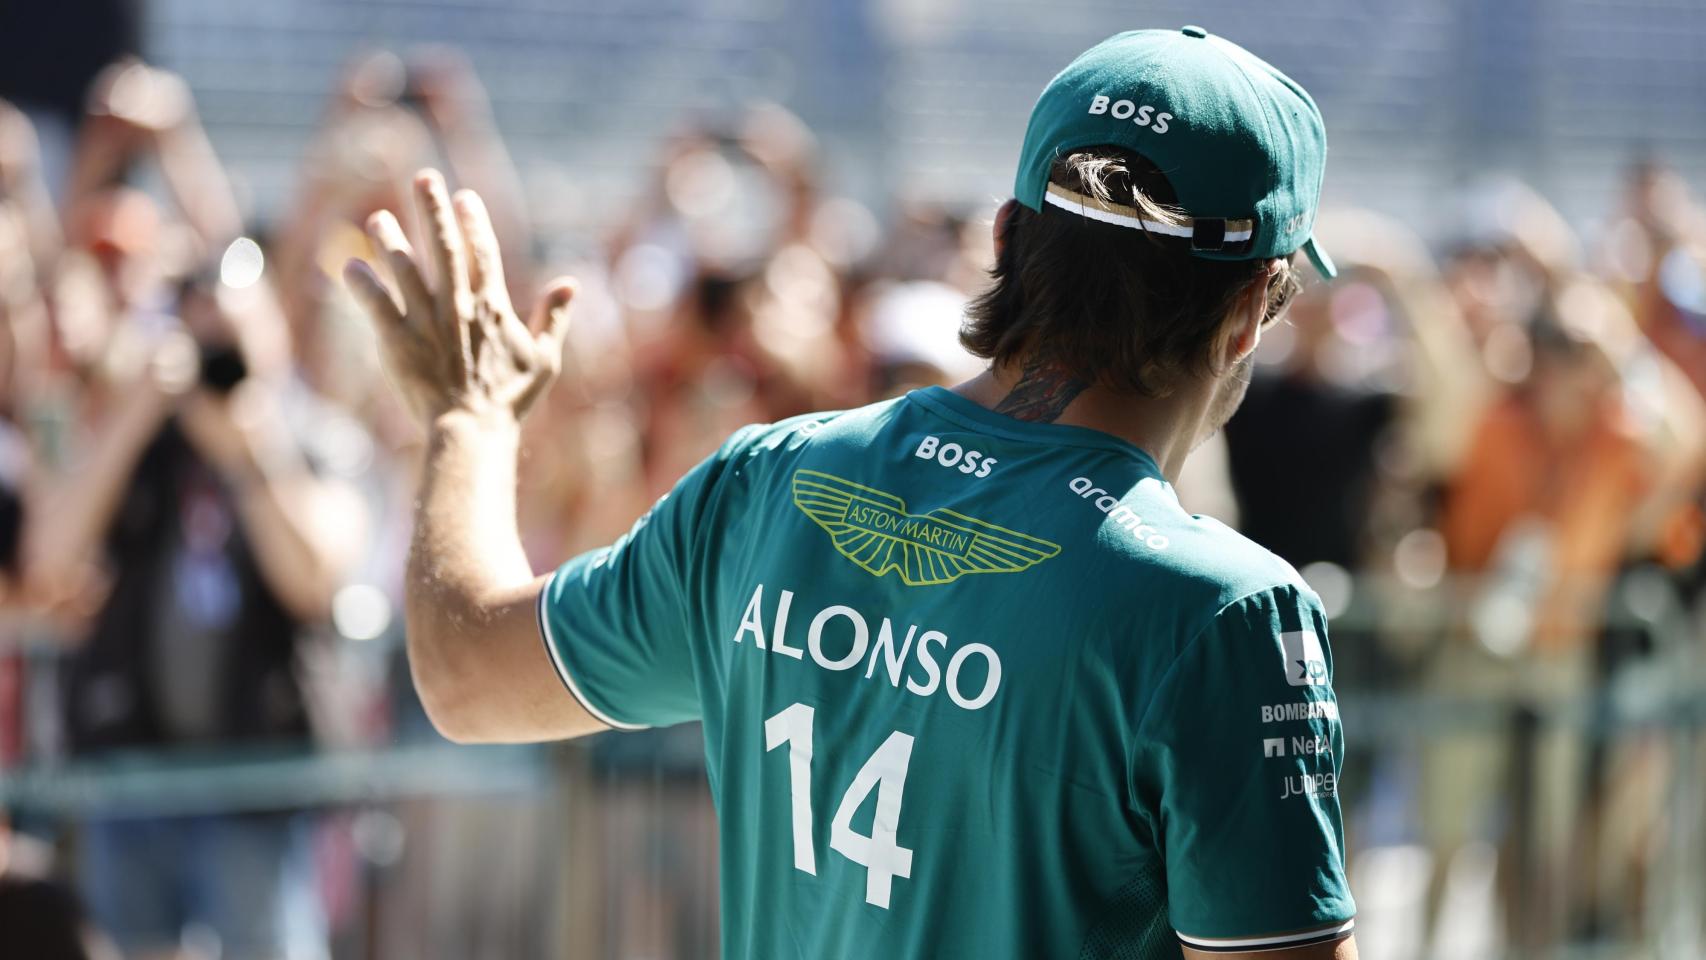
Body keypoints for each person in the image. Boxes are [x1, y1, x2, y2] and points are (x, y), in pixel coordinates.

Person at [345, 26, 1357, 959]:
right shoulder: (1223, 617)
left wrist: (466, 421)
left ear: (1005, 239)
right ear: (1244, 314)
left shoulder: (766, 483)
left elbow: (467, 671)